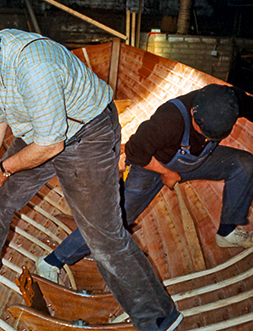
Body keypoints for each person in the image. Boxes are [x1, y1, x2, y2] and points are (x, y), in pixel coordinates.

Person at [0, 19, 182, 331]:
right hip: (42, 131)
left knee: (103, 235)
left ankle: (158, 316)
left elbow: (50, 145)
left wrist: (1, 168)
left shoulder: (34, 66)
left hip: (86, 135)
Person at [37, 84, 253, 281]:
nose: (204, 136)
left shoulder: (230, 102)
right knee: (116, 219)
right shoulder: (169, 119)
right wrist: (166, 173)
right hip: (151, 163)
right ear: (194, 111)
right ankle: (53, 260)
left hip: (196, 160)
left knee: (244, 164)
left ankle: (227, 231)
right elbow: (134, 151)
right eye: (201, 130)